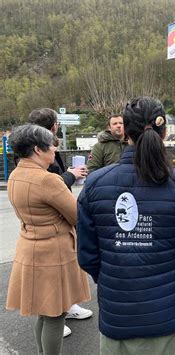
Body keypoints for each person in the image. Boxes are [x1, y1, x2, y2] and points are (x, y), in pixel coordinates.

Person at [77, 97, 175, 355]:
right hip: (169, 321)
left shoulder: (95, 184)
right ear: (164, 133)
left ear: (124, 131)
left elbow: (87, 255)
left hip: (117, 320)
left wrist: (113, 278)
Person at [6, 124, 91, 355]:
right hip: (54, 252)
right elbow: (77, 216)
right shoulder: (47, 180)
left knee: (44, 314)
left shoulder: (15, 175)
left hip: (30, 247)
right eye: (51, 145)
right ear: (37, 149)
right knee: (56, 315)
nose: (54, 149)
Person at [28, 108, 93, 338]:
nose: (54, 149)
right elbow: (50, 184)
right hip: (49, 230)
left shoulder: (42, 148)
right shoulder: (36, 154)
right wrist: (71, 175)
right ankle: (55, 314)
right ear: (54, 125)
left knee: (67, 269)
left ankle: (67, 307)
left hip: (58, 224)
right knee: (51, 278)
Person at [28, 108, 88, 190]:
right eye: (58, 123)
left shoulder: (27, 147)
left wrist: (68, 173)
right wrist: (71, 175)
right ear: (53, 127)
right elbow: (50, 186)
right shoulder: (42, 151)